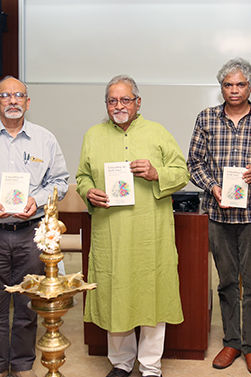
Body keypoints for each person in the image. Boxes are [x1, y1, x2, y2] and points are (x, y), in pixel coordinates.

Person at [76, 75, 189, 377]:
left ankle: (151, 366)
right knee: (117, 293)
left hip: (151, 232)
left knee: (152, 294)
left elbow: (182, 172)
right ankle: (121, 363)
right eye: (112, 100)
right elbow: (82, 176)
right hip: (110, 231)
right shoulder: (93, 135)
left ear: (138, 102)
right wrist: (88, 191)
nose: (119, 106)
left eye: (125, 100)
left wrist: (155, 173)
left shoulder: (158, 133)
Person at [187, 58, 251, 377]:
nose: (234, 90)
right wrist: (213, 186)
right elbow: (194, 163)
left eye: (240, 84)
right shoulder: (206, 118)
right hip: (218, 213)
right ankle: (231, 341)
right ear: (221, 88)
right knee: (227, 281)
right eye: (228, 85)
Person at [0, 76, 70, 377]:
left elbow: (60, 181)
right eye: (5, 96)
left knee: (28, 305)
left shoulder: (45, 139)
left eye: (19, 95)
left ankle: (23, 365)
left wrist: (36, 201)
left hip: (31, 233)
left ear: (28, 101)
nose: (13, 101)